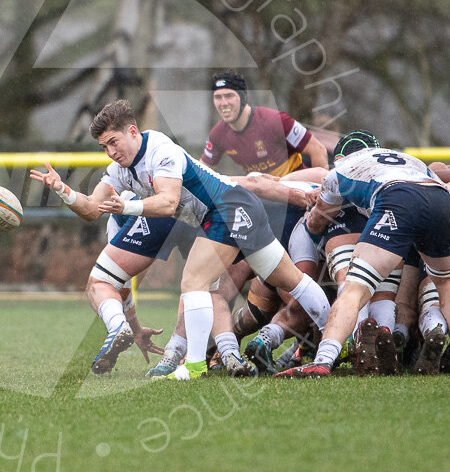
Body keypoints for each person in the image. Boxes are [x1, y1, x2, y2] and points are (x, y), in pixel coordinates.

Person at [31, 100, 334, 380]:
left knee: (193, 282)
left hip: (227, 210)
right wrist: (62, 190)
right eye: (104, 146)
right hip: (235, 209)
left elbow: (166, 202)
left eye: (114, 142)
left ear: (132, 132)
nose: (110, 152)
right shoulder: (120, 170)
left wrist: (128, 206)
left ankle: (194, 366)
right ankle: (334, 344)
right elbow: (90, 209)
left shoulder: (160, 150)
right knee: (290, 279)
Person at [278, 132, 450, 379]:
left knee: (354, 289)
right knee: (447, 282)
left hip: (396, 199)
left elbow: (317, 221)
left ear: (339, 158)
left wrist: (311, 216)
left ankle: (323, 360)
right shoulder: (411, 161)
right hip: (438, 200)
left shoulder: (339, 171)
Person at [201, 71, 329, 176]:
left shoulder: (275, 120)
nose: (223, 103)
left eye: (229, 96)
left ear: (243, 97)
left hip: (297, 189)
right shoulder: (217, 134)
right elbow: (202, 170)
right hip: (264, 195)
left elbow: (318, 150)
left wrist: (321, 196)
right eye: (218, 97)